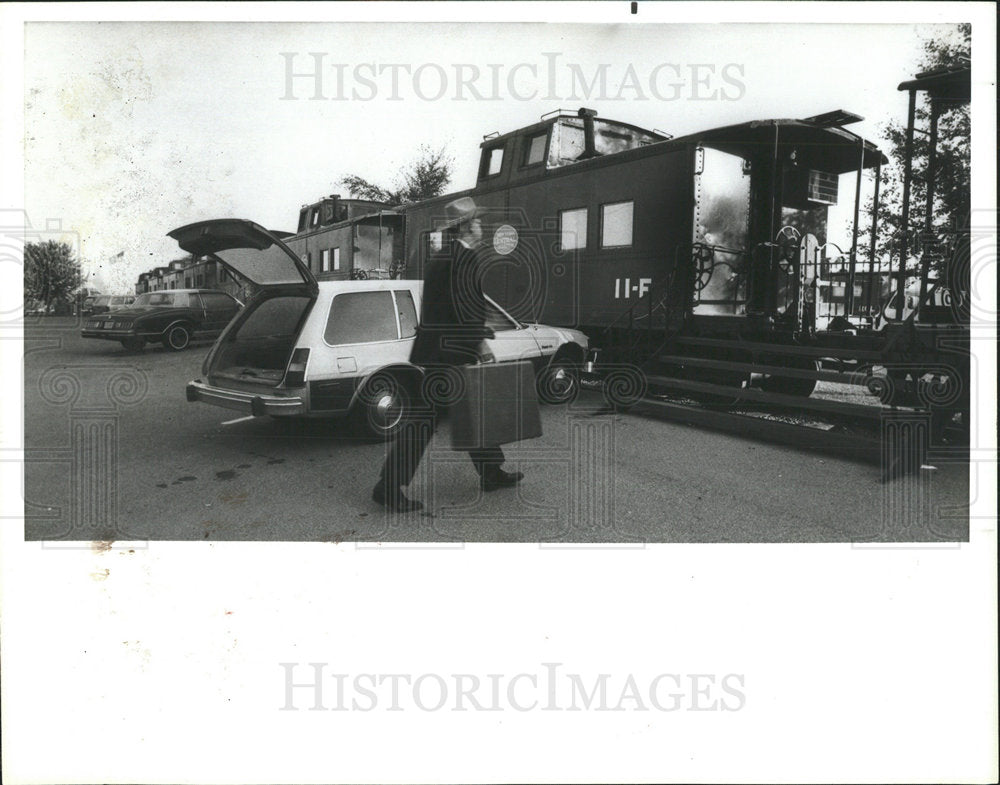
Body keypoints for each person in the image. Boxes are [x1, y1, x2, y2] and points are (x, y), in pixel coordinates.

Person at [372, 196, 524, 513]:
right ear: (467, 227)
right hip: (448, 356)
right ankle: (387, 488)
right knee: (424, 422)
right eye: (478, 222)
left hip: (442, 352)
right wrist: (481, 345)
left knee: (473, 413)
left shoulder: (447, 257)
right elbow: (464, 310)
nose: (482, 226)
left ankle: (491, 472)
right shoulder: (461, 259)